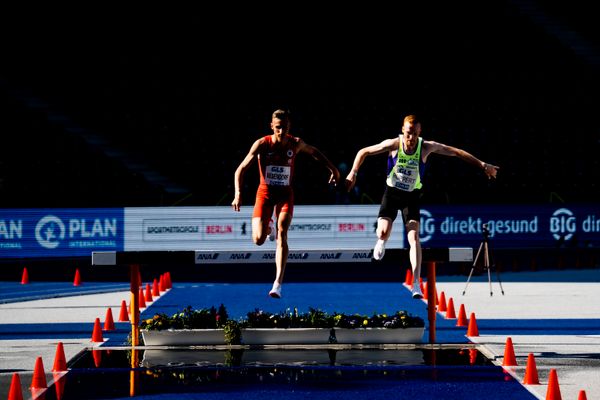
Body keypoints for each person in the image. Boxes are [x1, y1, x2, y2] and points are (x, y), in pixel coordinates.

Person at [345, 114, 499, 299]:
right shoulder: (393, 144)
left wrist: (483, 165)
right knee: (383, 232)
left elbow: (456, 152)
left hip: (412, 197)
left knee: (414, 238)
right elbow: (364, 151)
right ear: (403, 130)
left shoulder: (425, 147)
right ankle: (381, 241)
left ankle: (416, 283)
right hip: (392, 194)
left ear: (420, 133)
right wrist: (353, 173)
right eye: (409, 133)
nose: (411, 139)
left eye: (415, 134)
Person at [232, 109, 341, 298]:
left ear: (289, 127)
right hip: (264, 194)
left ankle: (277, 284)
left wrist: (334, 170)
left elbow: (315, 152)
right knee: (258, 240)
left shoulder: (295, 143)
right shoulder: (262, 144)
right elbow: (240, 169)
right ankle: (268, 228)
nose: (281, 132)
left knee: (283, 232)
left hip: (285, 195)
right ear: (272, 127)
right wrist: (238, 193)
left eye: (285, 128)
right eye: (278, 128)